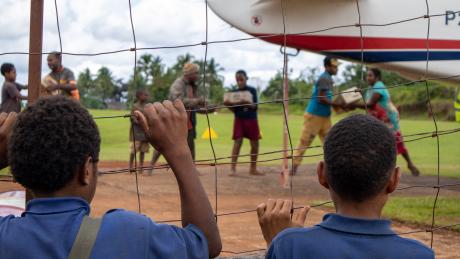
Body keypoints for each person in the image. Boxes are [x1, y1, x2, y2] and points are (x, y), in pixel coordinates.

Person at [0, 96, 221, 258]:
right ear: (86, 170)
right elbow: (206, 242)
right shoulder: (130, 233)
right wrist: (179, 151)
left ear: (17, 169)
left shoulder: (5, 236)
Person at [256, 114, 434, 259]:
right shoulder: (420, 254)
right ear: (394, 179)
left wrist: (276, 242)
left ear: (322, 174)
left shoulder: (290, 245)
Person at [348, 68, 420, 176]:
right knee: (376, 142)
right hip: (377, 120)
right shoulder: (370, 89)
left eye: (370, 75)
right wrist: (359, 96)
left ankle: (408, 163)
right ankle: (377, 166)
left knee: (395, 141)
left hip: (388, 119)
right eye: (367, 75)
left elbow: (371, 104)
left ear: (377, 77)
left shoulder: (379, 87)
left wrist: (352, 105)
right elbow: (367, 104)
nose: (368, 78)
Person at [291, 57, 345, 175]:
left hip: (325, 117)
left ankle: (332, 168)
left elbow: (327, 99)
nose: (336, 69)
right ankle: (294, 167)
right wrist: (337, 104)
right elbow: (321, 98)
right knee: (305, 141)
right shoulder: (324, 78)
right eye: (333, 66)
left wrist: (340, 106)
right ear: (327, 66)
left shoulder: (329, 78)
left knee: (330, 142)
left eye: (336, 67)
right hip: (315, 116)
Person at [150, 63, 206, 172]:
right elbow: (178, 101)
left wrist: (206, 108)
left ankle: (192, 169)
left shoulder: (193, 86)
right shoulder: (178, 84)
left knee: (190, 144)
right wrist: (197, 101)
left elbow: (194, 105)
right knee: (164, 141)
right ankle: (150, 167)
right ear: (189, 74)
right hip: (174, 118)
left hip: (189, 118)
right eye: (196, 73)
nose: (198, 75)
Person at [224, 70, 263, 176]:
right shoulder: (234, 93)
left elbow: (255, 107)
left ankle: (253, 168)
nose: (239, 82)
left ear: (246, 78)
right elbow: (234, 110)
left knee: (255, 143)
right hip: (239, 119)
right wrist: (228, 105)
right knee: (237, 142)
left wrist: (246, 102)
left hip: (251, 119)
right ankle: (232, 169)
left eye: (241, 79)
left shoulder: (252, 90)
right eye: (237, 80)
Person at [129, 89, 151, 174]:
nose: (146, 97)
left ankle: (141, 167)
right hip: (137, 132)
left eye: (147, 95)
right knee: (134, 150)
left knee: (143, 150)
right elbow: (132, 117)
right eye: (144, 95)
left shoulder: (147, 107)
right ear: (139, 96)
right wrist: (140, 121)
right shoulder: (135, 106)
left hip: (145, 133)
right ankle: (130, 166)